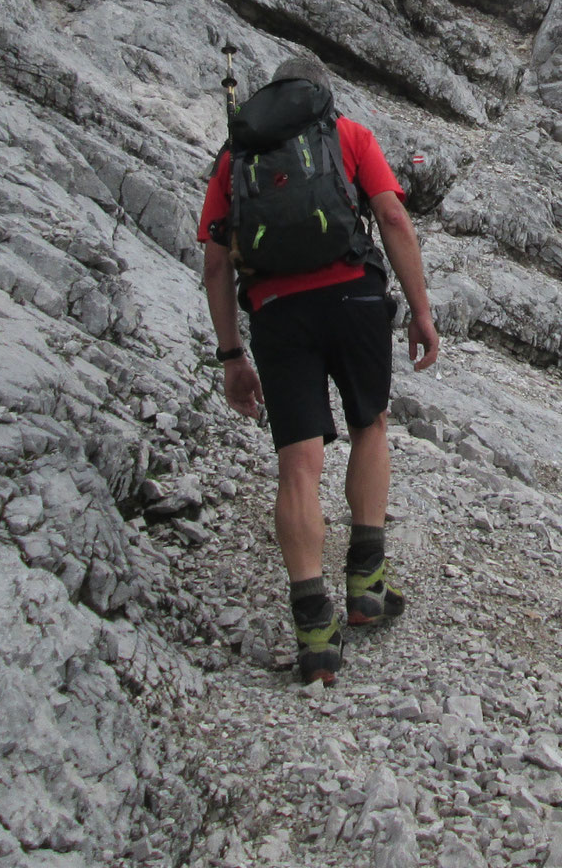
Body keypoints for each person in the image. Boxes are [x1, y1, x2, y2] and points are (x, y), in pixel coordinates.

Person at [197, 54, 440, 684]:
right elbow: (391, 217)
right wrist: (420, 310)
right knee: (370, 426)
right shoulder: (349, 134)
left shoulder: (235, 157)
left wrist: (231, 356)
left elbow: (218, 265)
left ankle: (313, 629)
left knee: (298, 465)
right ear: (319, 94)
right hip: (355, 298)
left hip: (278, 312)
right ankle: (366, 587)